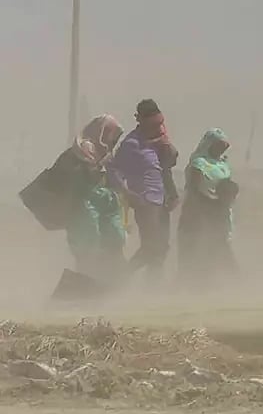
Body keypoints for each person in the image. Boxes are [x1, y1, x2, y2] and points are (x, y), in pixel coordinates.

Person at [111, 99, 180, 285]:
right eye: (154, 124)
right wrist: (126, 193)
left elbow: (169, 163)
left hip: (162, 200)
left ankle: (153, 286)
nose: (158, 128)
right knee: (151, 247)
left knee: (162, 247)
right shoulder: (132, 144)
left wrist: (165, 144)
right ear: (141, 120)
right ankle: (118, 279)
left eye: (160, 123)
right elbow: (114, 171)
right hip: (145, 201)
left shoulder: (157, 142)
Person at [53, 115, 128, 286]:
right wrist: (104, 163)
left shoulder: (106, 150)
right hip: (85, 202)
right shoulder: (86, 147)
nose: (113, 138)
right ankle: (83, 283)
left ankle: (110, 281)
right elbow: (88, 171)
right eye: (110, 133)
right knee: (89, 244)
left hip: (103, 200)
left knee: (114, 239)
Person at [177, 128, 238, 290]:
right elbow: (194, 190)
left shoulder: (223, 164)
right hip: (197, 215)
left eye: (225, 146)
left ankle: (229, 286)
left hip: (220, 215)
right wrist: (213, 204)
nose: (222, 149)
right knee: (192, 251)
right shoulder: (198, 164)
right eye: (219, 145)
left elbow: (227, 188)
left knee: (218, 249)